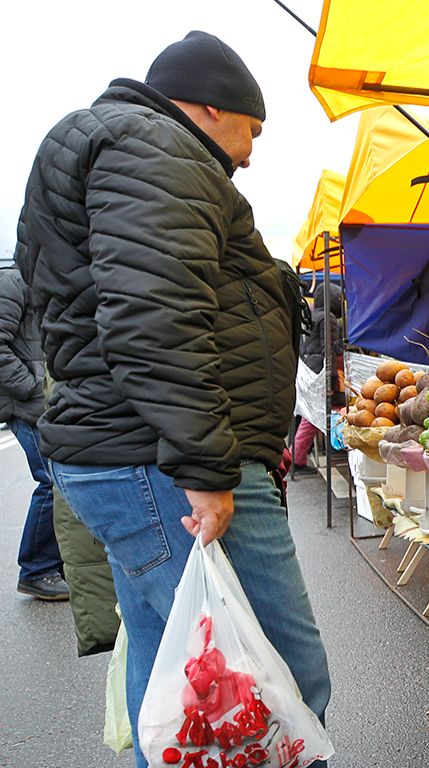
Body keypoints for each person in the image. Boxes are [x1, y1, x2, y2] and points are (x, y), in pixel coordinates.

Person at [15, 31, 329, 766]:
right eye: (252, 129)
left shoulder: (125, 147)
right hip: (162, 460)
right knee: (278, 677)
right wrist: (205, 469)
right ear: (212, 108)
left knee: (177, 675)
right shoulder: (155, 148)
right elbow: (156, 314)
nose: (251, 153)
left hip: (133, 455)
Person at [0, 266, 68, 601]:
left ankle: (51, 564)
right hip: (24, 405)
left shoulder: (45, 282)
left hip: (42, 405)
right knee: (51, 482)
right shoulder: (13, 281)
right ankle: (36, 569)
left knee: (60, 482)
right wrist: (33, 388)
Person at [292, 281, 345, 472]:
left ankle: (296, 455)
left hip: (310, 370)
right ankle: (297, 457)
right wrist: (331, 379)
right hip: (323, 371)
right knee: (334, 412)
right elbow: (328, 349)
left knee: (315, 415)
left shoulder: (312, 314)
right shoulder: (327, 318)